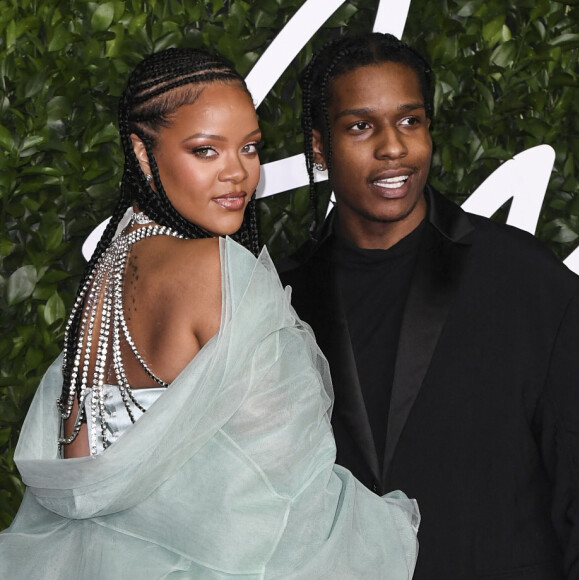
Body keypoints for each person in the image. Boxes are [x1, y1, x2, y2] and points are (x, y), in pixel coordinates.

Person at [0, 47, 420, 579]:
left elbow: (78, 455)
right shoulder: (220, 269)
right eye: (206, 151)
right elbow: (289, 491)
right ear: (142, 150)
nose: (238, 174)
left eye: (248, 148)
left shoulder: (109, 265)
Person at [280, 32, 579, 579]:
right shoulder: (282, 300)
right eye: (360, 126)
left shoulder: (522, 277)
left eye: (410, 120)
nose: (393, 146)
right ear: (320, 147)